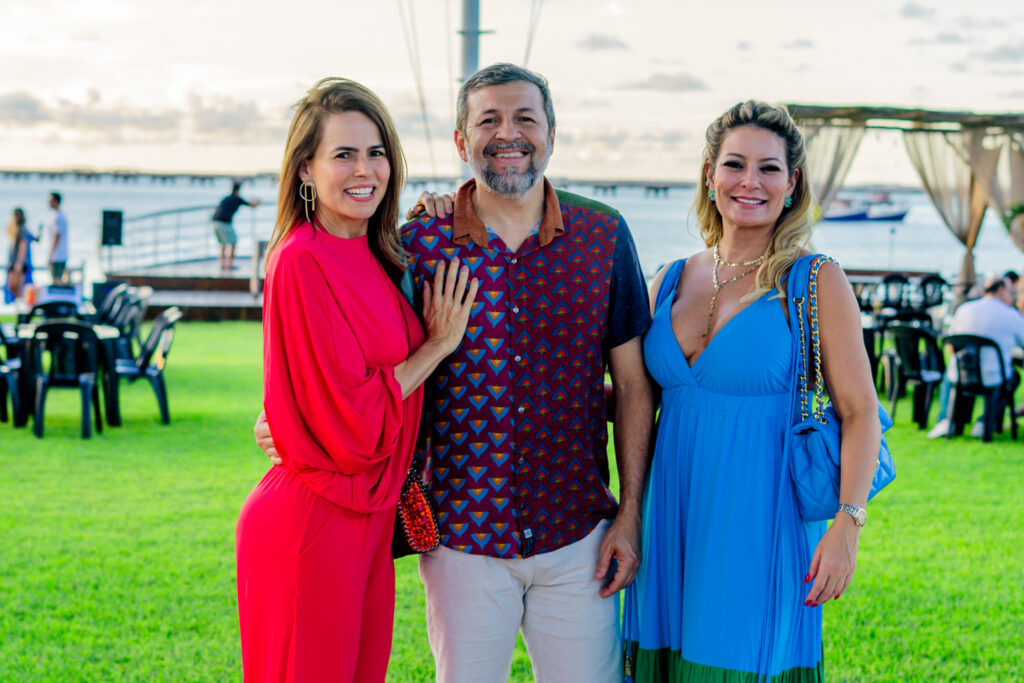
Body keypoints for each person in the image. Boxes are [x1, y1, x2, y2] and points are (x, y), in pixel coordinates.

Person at [256, 63, 655, 683]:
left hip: (580, 537)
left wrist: (629, 516)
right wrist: (285, 418)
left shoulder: (604, 236)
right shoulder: (414, 246)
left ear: (552, 131)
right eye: (488, 120)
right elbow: (343, 353)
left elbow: (633, 385)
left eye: (526, 117)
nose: (508, 133)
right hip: (460, 540)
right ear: (461, 141)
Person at [623, 101, 882, 681]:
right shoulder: (669, 278)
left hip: (760, 516)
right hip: (669, 515)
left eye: (769, 168)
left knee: (736, 662)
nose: (749, 182)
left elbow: (861, 411)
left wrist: (848, 526)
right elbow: (633, 400)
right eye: (734, 164)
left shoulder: (815, 280)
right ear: (710, 174)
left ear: (792, 184)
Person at [235, 77, 478, 683]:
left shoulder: (378, 254)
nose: (364, 169)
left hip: (368, 521)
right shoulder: (299, 260)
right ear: (306, 172)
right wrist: (438, 345)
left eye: (376, 153)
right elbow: (351, 412)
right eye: (343, 154)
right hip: (314, 522)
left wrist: (443, 207)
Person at [927, 275, 1024, 438]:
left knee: (952, 372)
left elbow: (951, 345)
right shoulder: (1011, 315)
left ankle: (947, 420)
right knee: (1013, 377)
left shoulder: (964, 309)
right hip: (992, 377)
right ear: (1000, 290)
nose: (1013, 297)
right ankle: (985, 421)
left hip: (960, 374)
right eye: (1011, 292)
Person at [212, 181, 260, 270]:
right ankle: (229, 265)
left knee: (223, 244)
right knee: (233, 242)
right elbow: (252, 205)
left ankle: (222, 265)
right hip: (224, 222)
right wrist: (258, 202)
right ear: (238, 191)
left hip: (215, 221)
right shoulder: (237, 199)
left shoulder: (226, 198)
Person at [5, 207, 34, 303]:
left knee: (18, 288)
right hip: (13, 261)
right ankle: (18, 303)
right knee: (11, 286)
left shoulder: (23, 230)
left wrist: (19, 262)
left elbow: (23, 246)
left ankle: (20, 305)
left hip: (19, 262)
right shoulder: (15, 229)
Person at [46, 192, 68, 283]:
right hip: (60, 254)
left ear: (55, 201)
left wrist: (51, 255)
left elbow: (56, 236)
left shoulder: (58, 217)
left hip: (57, 255)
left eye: (50, 200)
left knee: (56, 279)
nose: (48, 202)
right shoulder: (58, 215)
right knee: (57, 278)